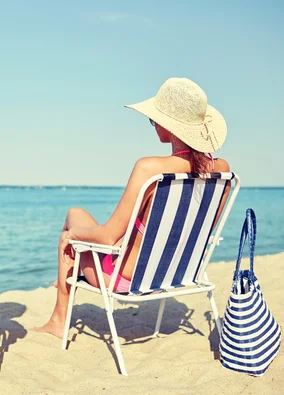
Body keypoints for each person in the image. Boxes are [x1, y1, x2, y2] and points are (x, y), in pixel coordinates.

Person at [34, 78, 231, 338]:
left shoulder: (150, 169)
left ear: (169, 126)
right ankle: (61, 290)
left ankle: (59, 320)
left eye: (154, 119)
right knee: (76, 213)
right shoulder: (222, 170)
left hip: (128, 278)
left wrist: (71, 237)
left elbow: (108, 237)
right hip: (176, 272)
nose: (153, 125)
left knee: (68, 233)